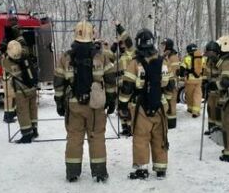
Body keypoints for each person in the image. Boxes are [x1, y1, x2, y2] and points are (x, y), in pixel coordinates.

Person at [54, 20, 117, 182]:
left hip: (74, 105)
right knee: (96, 137)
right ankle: (99, 173)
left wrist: (59, 103)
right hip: (96, 106)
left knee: (74, 138)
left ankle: (72, 173)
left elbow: (59, 82)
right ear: (92, 35)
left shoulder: (65, 57)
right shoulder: (101, 56)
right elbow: (110, 80)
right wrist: (111, 100)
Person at [119, 28, 173, 179]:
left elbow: (127, 86)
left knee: (141, 137)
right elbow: (170, 85)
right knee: (160, 136)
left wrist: (122, 105)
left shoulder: (135, 63)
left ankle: (141, 168)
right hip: (160, 105)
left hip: (140, 106)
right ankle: (161, 168)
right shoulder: (164, 61)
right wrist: (167, 102)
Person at [0, 17, 20, 123]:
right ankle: (8, 115)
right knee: (10, 93)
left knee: (12, 93)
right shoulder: (11, 35)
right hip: (10, 70)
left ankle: (11, 113)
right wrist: (5, 64)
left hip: (10, 69)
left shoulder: (8, 36)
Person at [115, 21, 136, 136]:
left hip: (129, 84)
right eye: (120, 44)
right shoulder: (118, 56)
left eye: (123, 43)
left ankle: (131, 128)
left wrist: (119, 27)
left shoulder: (131, 51)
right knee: (121, 108)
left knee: (128, 107)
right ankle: (125, 128)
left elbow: (127, 38)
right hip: (119, 85)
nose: (122, 45)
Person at [180, 43, 204, 118]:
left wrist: (181, 74)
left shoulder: (187, 58)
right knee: (197, 95)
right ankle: (196, 111)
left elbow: (182, 68)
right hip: (199, 80)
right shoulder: (201, 58)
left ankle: (190, 109)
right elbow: (204, 68)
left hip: (189, 80)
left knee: (189, 94)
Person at [160, 38, 180, 129]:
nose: (162, 47)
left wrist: (172, 84)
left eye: (164, 45)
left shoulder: (173, 57)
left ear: (168, 46)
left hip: (172, 84)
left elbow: (175, 72)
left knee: (171, 104)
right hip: (167, 83)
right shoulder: (167, 56)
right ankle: (167, 121)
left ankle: (172, 123)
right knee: (167, 103)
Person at [203, 41, 222, 135]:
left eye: (211, 53)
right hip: (211, 92)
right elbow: (206, 73)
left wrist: (214, 82)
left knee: (219, 110)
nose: (209, 56)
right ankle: (211, 128)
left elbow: (223, 77)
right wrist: (205, 81)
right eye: (208, 54)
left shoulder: (221, 61)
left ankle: (219, 129)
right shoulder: (209, 61)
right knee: (210, 109)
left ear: (216, 52)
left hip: (219, 92)